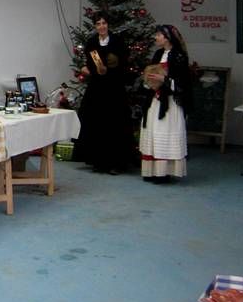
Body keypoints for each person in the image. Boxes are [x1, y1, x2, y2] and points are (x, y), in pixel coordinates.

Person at [72, 15, 133, 175]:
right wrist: (93, 70)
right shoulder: (92, 42)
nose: (101, 26)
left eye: (104, 23)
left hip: (114, 89)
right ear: (95, 26)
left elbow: (123, 62)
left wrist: (111, 68)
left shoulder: (118, 41)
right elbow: (91, 63)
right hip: (97, 88)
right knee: (95, 122)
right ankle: (98, 161)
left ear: (108, 24)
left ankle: (116, 163)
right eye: (98, 24)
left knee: (115, 123)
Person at [139, 24, 191, 183]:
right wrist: (148, 81)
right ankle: (151, 171)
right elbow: (151, 73)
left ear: (167, 37)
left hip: (169, 103)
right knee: (153, 132)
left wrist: (165, 80)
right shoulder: (158, 54)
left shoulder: (179, 56)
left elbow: (184, 83)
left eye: (159, 35)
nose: (156, 37)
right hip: (155, 100)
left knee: (164, 133)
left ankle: (164, 172)